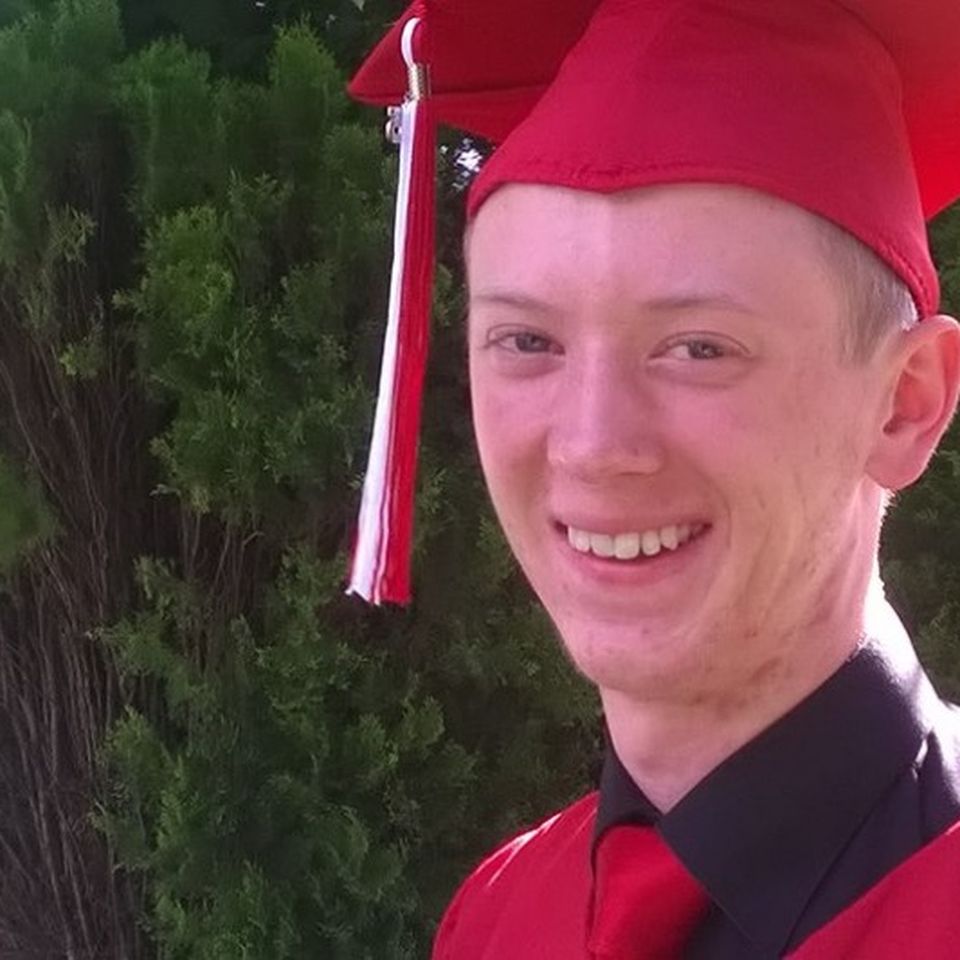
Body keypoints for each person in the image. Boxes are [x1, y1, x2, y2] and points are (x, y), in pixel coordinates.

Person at [349, 0, 960, 956]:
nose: (592, 445)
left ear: (904, 404)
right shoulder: (499, 917)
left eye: (700, 347)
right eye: (527, 341)